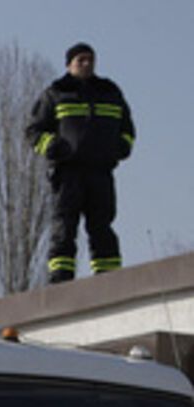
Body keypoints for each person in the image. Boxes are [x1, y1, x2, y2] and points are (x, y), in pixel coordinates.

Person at [27, 43, 135, 284]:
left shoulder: (110, 92)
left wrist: (121, 147)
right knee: (64, 226)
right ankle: (61, 279)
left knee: (102, 225)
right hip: (68, 172)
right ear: (69, 64)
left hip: (100, 171)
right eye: (81, 60)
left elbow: (127, 129)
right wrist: (52, 146)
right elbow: (33, 131)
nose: (86, 64)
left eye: (90, 60)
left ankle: (108, 277)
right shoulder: (55, 93)